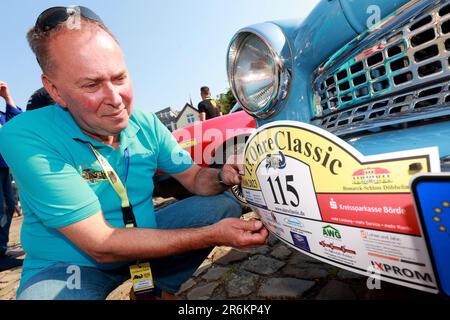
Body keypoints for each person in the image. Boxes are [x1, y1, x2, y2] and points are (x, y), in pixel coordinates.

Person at [0, 6, 268, 300]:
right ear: (55, 91)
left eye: (119, 78)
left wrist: (222, 174)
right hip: (74, 263)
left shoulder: (146, 123)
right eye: (91, 85)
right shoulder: (24, 134)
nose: (116, 100)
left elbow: (195, 178)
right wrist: (214, 235)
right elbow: (100, 244)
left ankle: (160, 288)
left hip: (145, 241)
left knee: (220, 205)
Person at [0, 81, 23, 271]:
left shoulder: (1, 116)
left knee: (8, 208)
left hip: (3, 167)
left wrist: (7, 96)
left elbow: (16, 122)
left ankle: (2, 249)